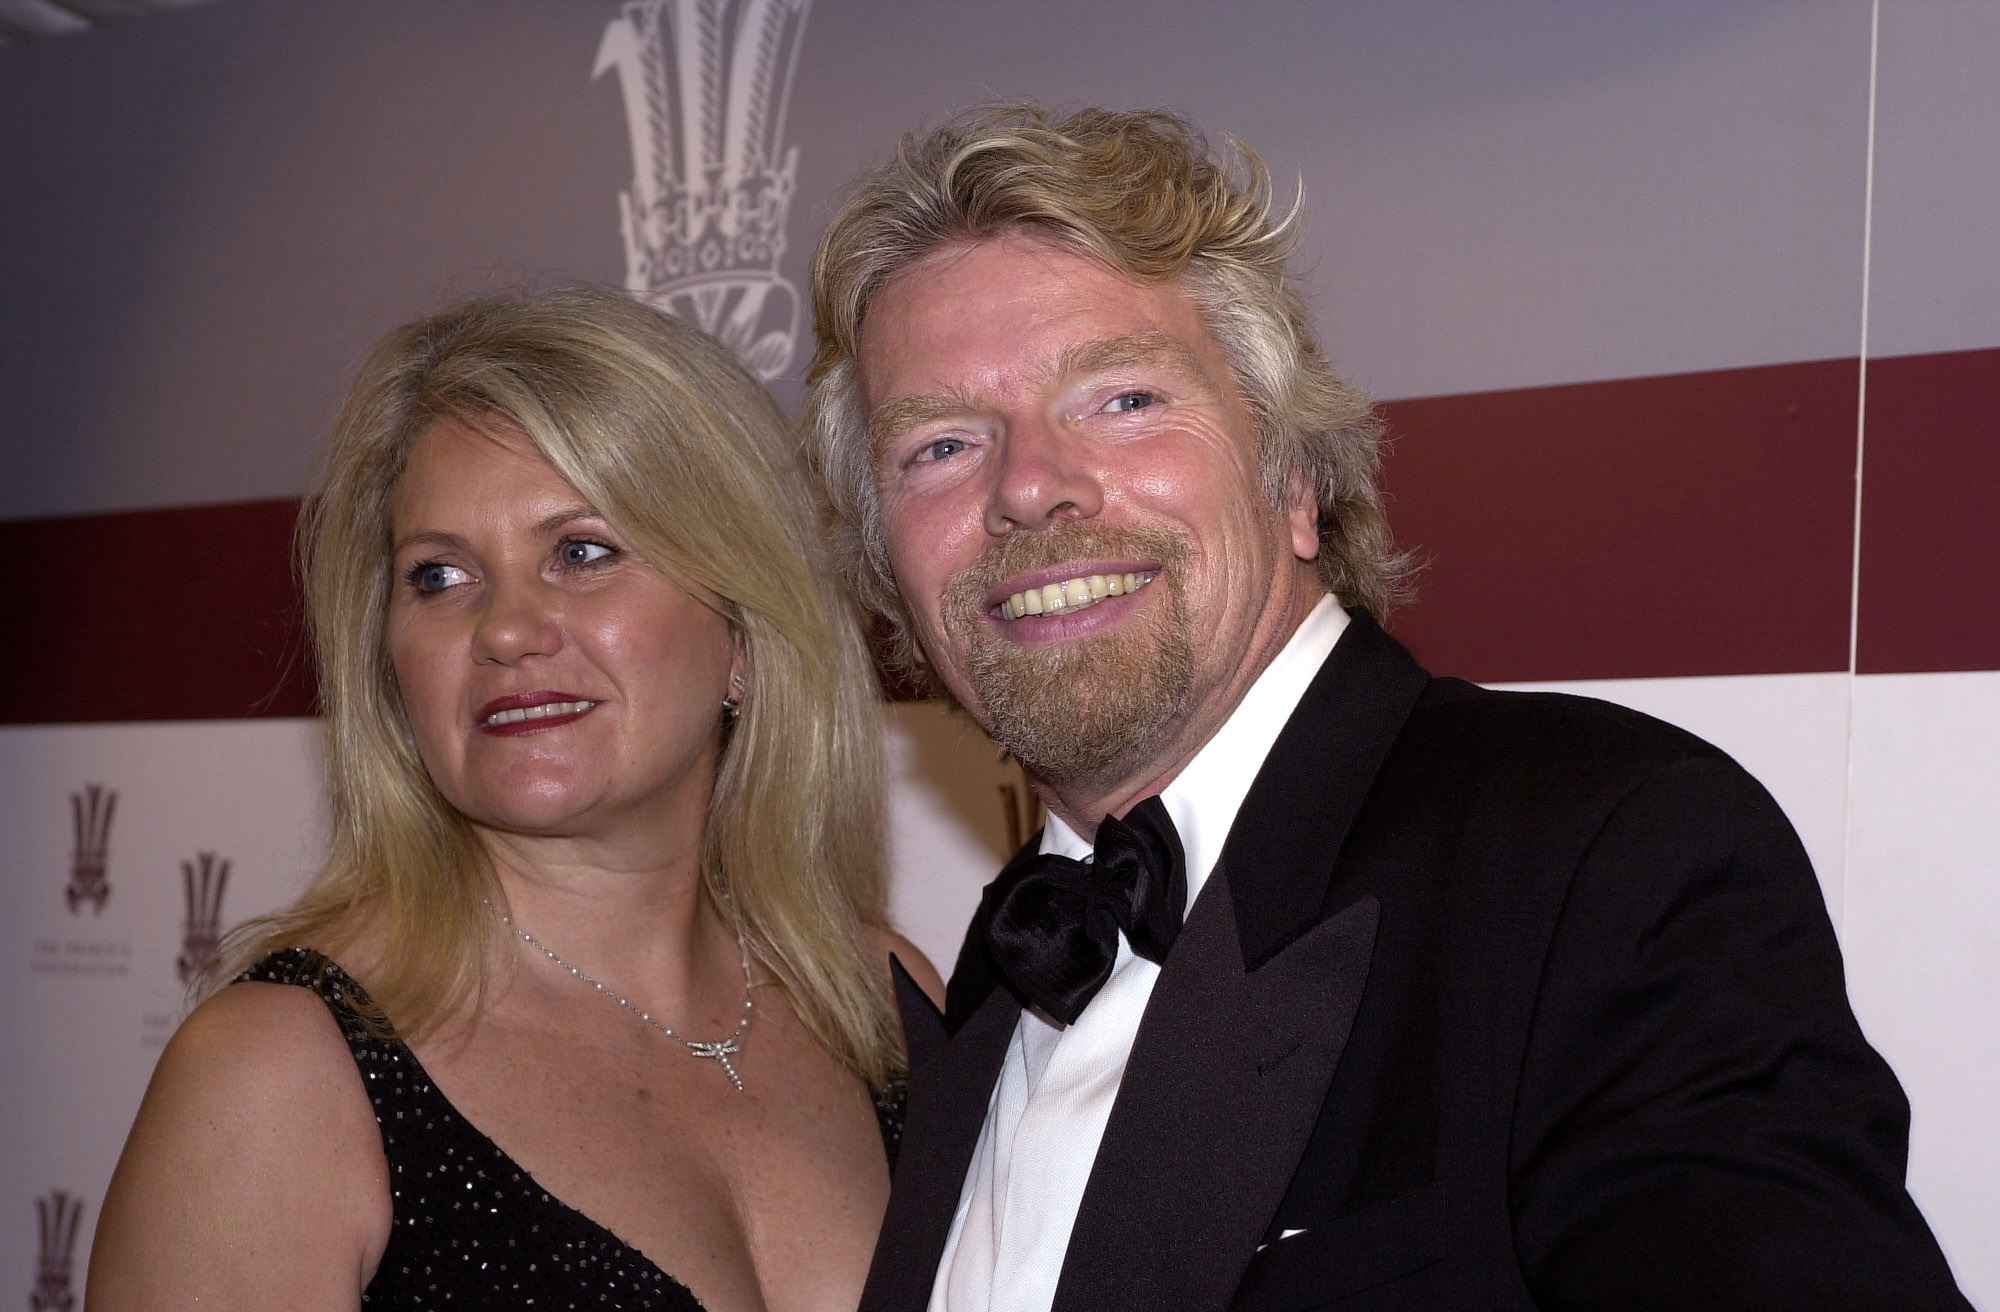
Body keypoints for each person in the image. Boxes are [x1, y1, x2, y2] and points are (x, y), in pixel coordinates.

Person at [800, 105, 1973, 1311]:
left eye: (1122, 400)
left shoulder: (1599, 855)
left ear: (1297, 478)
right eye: (940, 445)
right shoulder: (1000, 969)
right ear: (890, 577)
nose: (1028, 487)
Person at [88, 286, 943, 1311]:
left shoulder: (880, 999)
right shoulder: (277, 1077)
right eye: (439, 576)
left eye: (580, 552)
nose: (503, 629)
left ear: (743, 628)